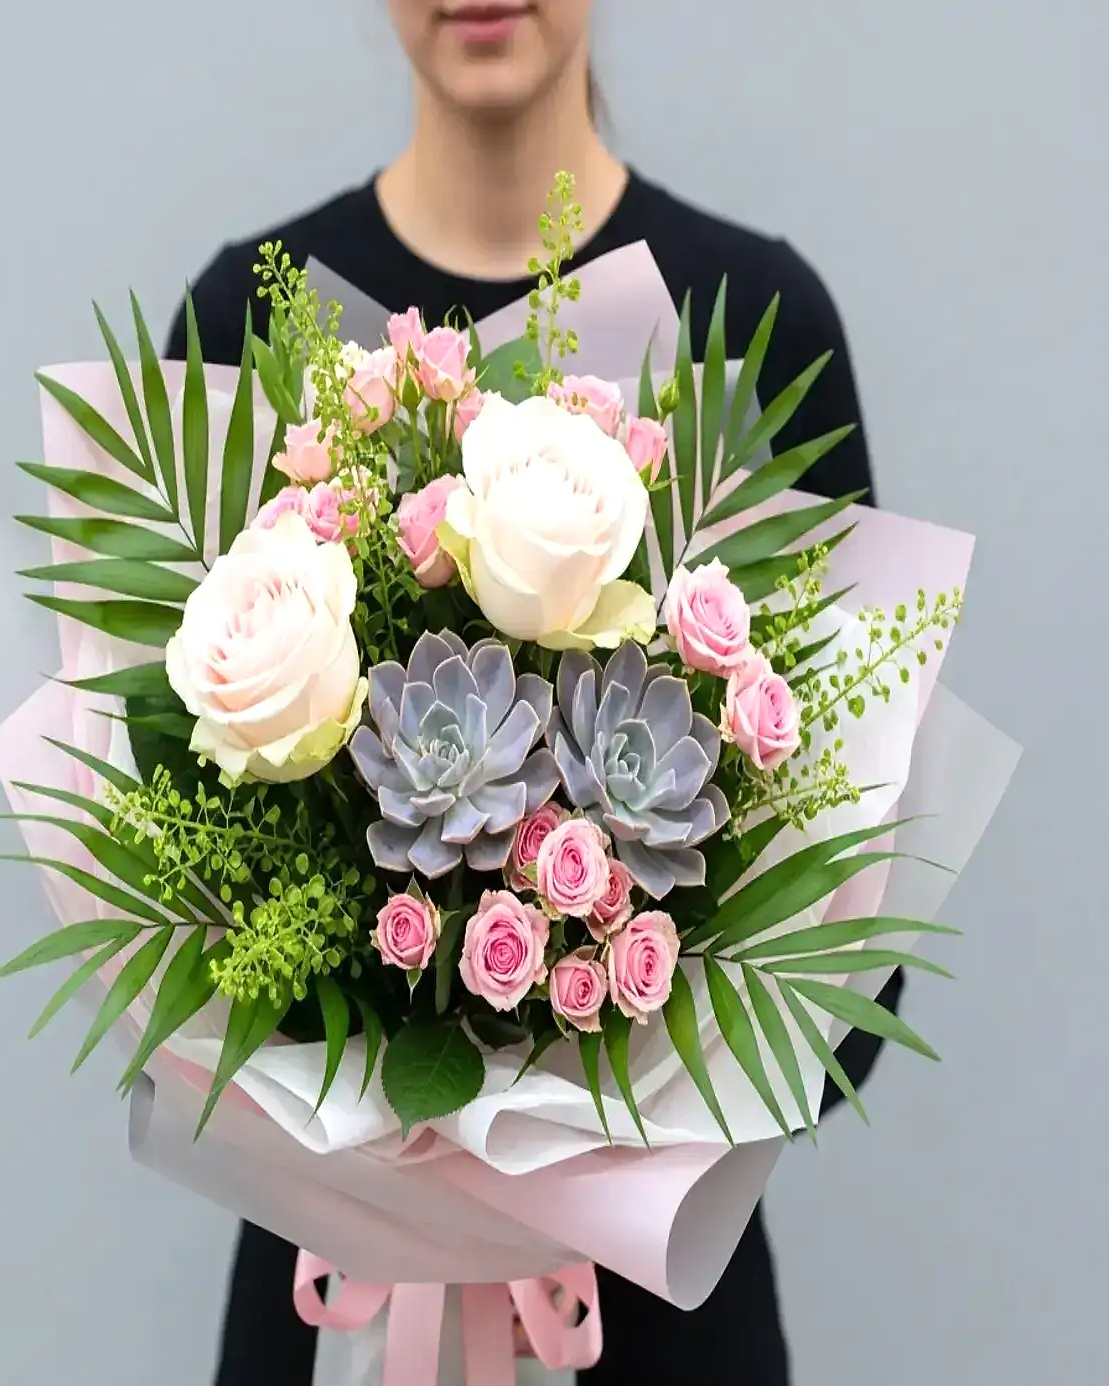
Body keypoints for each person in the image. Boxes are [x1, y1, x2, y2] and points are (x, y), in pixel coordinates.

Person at [166, 3, 903, 1382]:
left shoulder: (754, 323)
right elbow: (164, 894)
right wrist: (395, 1142)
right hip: (331, 1313)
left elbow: (854, 954)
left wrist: (576, 1123)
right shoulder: (242, 324)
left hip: (659, 1325)